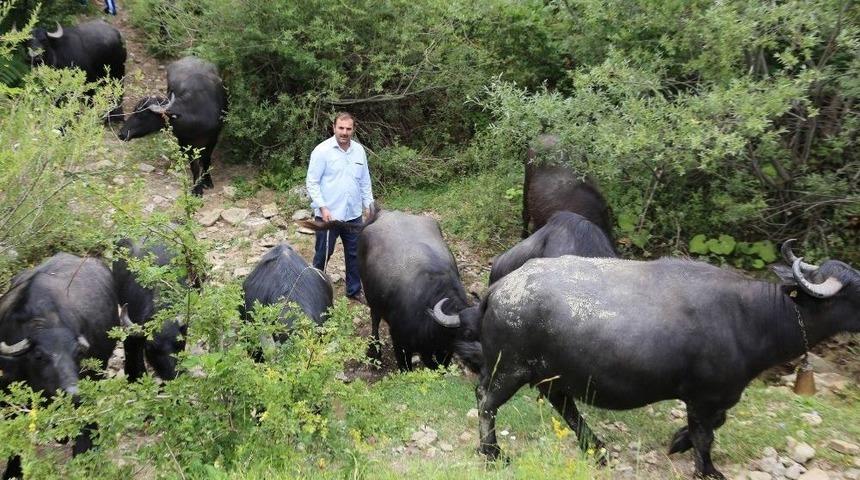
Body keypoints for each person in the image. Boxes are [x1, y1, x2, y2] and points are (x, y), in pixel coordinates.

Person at [306, 112, 374, 303]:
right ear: (334, 127)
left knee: (354, 254)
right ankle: (314, 289)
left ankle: (353, 290)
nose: (344, 132)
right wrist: (323, 207)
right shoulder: (321, 151)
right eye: (341, 128)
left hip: (353, 214)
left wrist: (369, 205)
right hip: (329, 216)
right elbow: (312, 182)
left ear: (354, 129)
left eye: (348, 129)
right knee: (323, 254)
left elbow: (364, 181)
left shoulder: (359, 151)